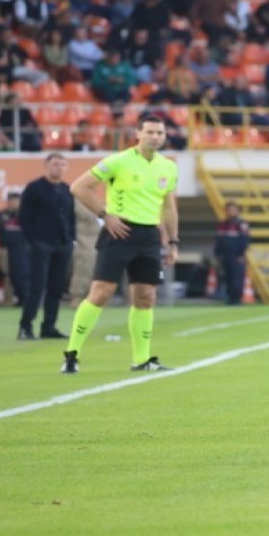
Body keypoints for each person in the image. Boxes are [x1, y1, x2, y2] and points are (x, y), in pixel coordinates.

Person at [62, 115, 180, 374]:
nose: (155, 137)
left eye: (160, 133)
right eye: (150, 132)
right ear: (138, 134)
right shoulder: (118, 161)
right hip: (119, 232)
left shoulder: (168, 167)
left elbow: (169, 206)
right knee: (101, 293)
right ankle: (72, 354)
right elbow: (79, 187)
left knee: (146, 297)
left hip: (149, 236)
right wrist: (105, 216)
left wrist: (172, 241)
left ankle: (142, 359)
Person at [17, 153, 76, 340]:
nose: (59, 167)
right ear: (46, 165)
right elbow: (24, 217)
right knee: (37, 286)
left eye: (62, 164)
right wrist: (32, 241)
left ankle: (48, 327)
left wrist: (71, 239)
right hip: (41, 244)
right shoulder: (34, 188)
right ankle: (25, 326)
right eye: (55, 164)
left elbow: (71, 217)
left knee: (56, 288)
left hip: (63, 244)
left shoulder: (67, 189)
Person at [0, 192, 29, 312]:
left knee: (22, 273)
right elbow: (2, 228)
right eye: (12, 201)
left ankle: (24, 298)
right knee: (9, 273)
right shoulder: (1, 215)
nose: (14, 203)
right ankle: (10, 298)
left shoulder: (25, 214)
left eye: (16, 201)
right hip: (7, 248)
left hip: (22, 248)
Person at [213, 200, 250, 305]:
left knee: (236, 277)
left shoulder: (241, 224)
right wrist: (218, 254)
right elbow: (218, 240)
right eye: (228, 210)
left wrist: (241, 254)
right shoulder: (222, 225)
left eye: (233, 210)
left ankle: (236, 298)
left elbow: (245, 240)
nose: (230, 212)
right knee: (227, 276)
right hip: (225, 255)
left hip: (236, 255)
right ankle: (229, 297)